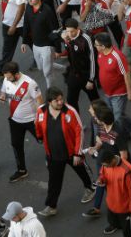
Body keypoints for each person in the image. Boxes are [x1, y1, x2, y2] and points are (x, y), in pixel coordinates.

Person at [33, 87, 94, 216]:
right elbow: (38, 125)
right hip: (53, 155)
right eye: (57, 100)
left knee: (82, 171)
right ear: (49, 102)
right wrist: (39, 136)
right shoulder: (41, 111)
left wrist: (78, 153)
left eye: (61, 99)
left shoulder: (70, 112)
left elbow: (79, 132)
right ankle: (51, 206)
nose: (61, 102)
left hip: (72, 153)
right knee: (54, 181)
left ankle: (90, 187)